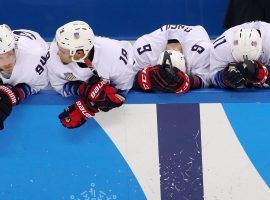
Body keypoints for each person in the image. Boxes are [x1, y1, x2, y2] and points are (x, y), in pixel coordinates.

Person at [47, 21, 136, 129]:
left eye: (62, 51)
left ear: (79, 53)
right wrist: (82, 90)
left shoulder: (115, 57)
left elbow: (119, 95)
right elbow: (59, 86)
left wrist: (90, 105)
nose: (57, 53)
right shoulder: (55, 53)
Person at [132, 24, 212, 93]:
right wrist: (145, 77)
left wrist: (189, 81)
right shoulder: (145, 51)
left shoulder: (201, 52)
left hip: (194, 35)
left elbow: (206, 80)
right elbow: (128, 78)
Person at [0, 24, 48, 130]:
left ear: (14, 48)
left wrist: (18, 92)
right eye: (0, 58)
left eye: (9, 54)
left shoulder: (34, 57)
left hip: (33, 45)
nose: (7, 62)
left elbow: (39, 85)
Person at [210, 21, 270, 89]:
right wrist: (224, 78)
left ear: (261, 49)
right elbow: (211, 77)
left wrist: (262, 73)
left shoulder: (267, 43)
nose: (245, 62)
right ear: (232, 50)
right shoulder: (221, 48)